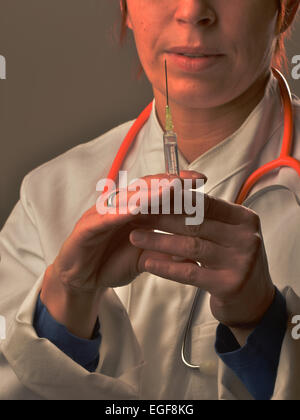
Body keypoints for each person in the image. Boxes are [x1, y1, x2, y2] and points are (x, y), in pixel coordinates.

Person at [0, 0, 300, 400]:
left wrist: (263, 324)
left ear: (286, 9)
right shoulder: (47, 195)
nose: (193, 11)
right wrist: (66, 299)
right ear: (124, 7)